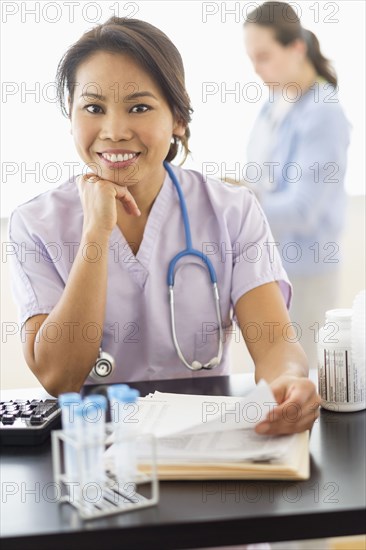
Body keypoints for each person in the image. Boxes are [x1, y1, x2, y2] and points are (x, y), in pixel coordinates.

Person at [8, 16, 320, 436]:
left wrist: (287, 380)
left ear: (177, 118)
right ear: (71, 113)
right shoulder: (34, 225)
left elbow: (275, 342)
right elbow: (58, 377)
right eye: (93, 107)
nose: (114, 130)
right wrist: (96, 234)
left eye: (139, 107)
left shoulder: (231, 211)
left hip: (206, 446)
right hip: (92, 459)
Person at [242, 1, 351, 368]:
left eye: (264, 56)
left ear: (297, 48)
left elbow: (302, 210)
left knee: (304, 375)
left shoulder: (322, 111)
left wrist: (240, 207)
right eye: (251, 59)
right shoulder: (275, 103)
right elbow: (260, 178)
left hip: (307, 268)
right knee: (277, 373)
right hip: (274, 264)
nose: (257, 69)